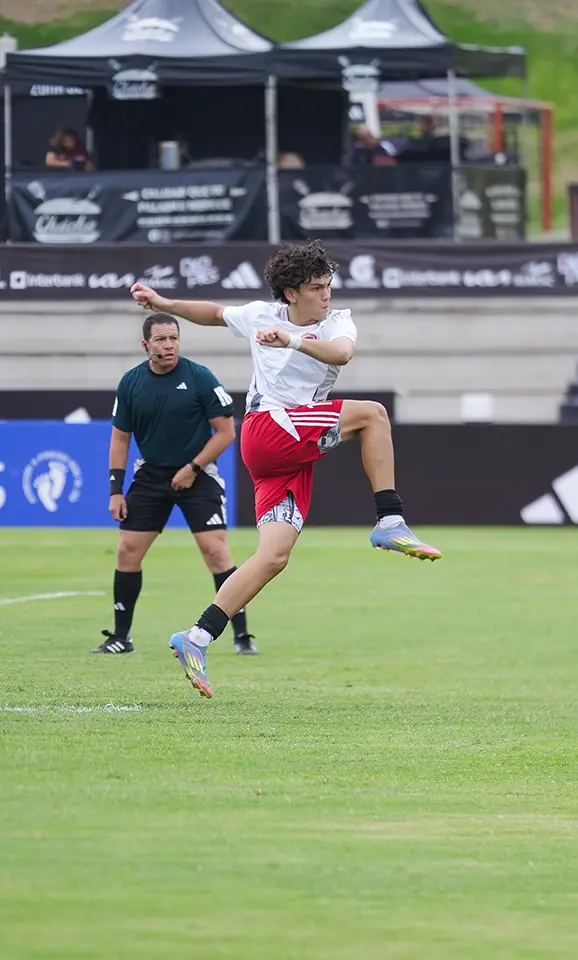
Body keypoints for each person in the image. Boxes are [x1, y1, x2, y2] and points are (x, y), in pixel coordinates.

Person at [130, 240, 441, 698]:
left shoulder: (337, 321)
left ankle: (196, 637)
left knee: (274, 556)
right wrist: (164, 304)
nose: (326, 295)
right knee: (373, 415)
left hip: (289, 449)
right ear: (291, 293)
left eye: (328, 286)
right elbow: (215, 314)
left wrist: (293, 340)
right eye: (316, 288)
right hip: (268, 429)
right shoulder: (262, 315)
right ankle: (389, 518)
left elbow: (341, 354)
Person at [92, 312, 258, 657]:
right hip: (151, 476)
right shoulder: (131, 383)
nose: (168, 345)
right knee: (127, 551)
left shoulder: (199, 377)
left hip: (197, 476)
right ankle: (121, 637)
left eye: (173, 338)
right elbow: (120, 439)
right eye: (161, 340)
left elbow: (226, 432)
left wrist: (193, 467)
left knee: (216, 551)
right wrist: (115, 491)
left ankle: (242, 637)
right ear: (145, 344)